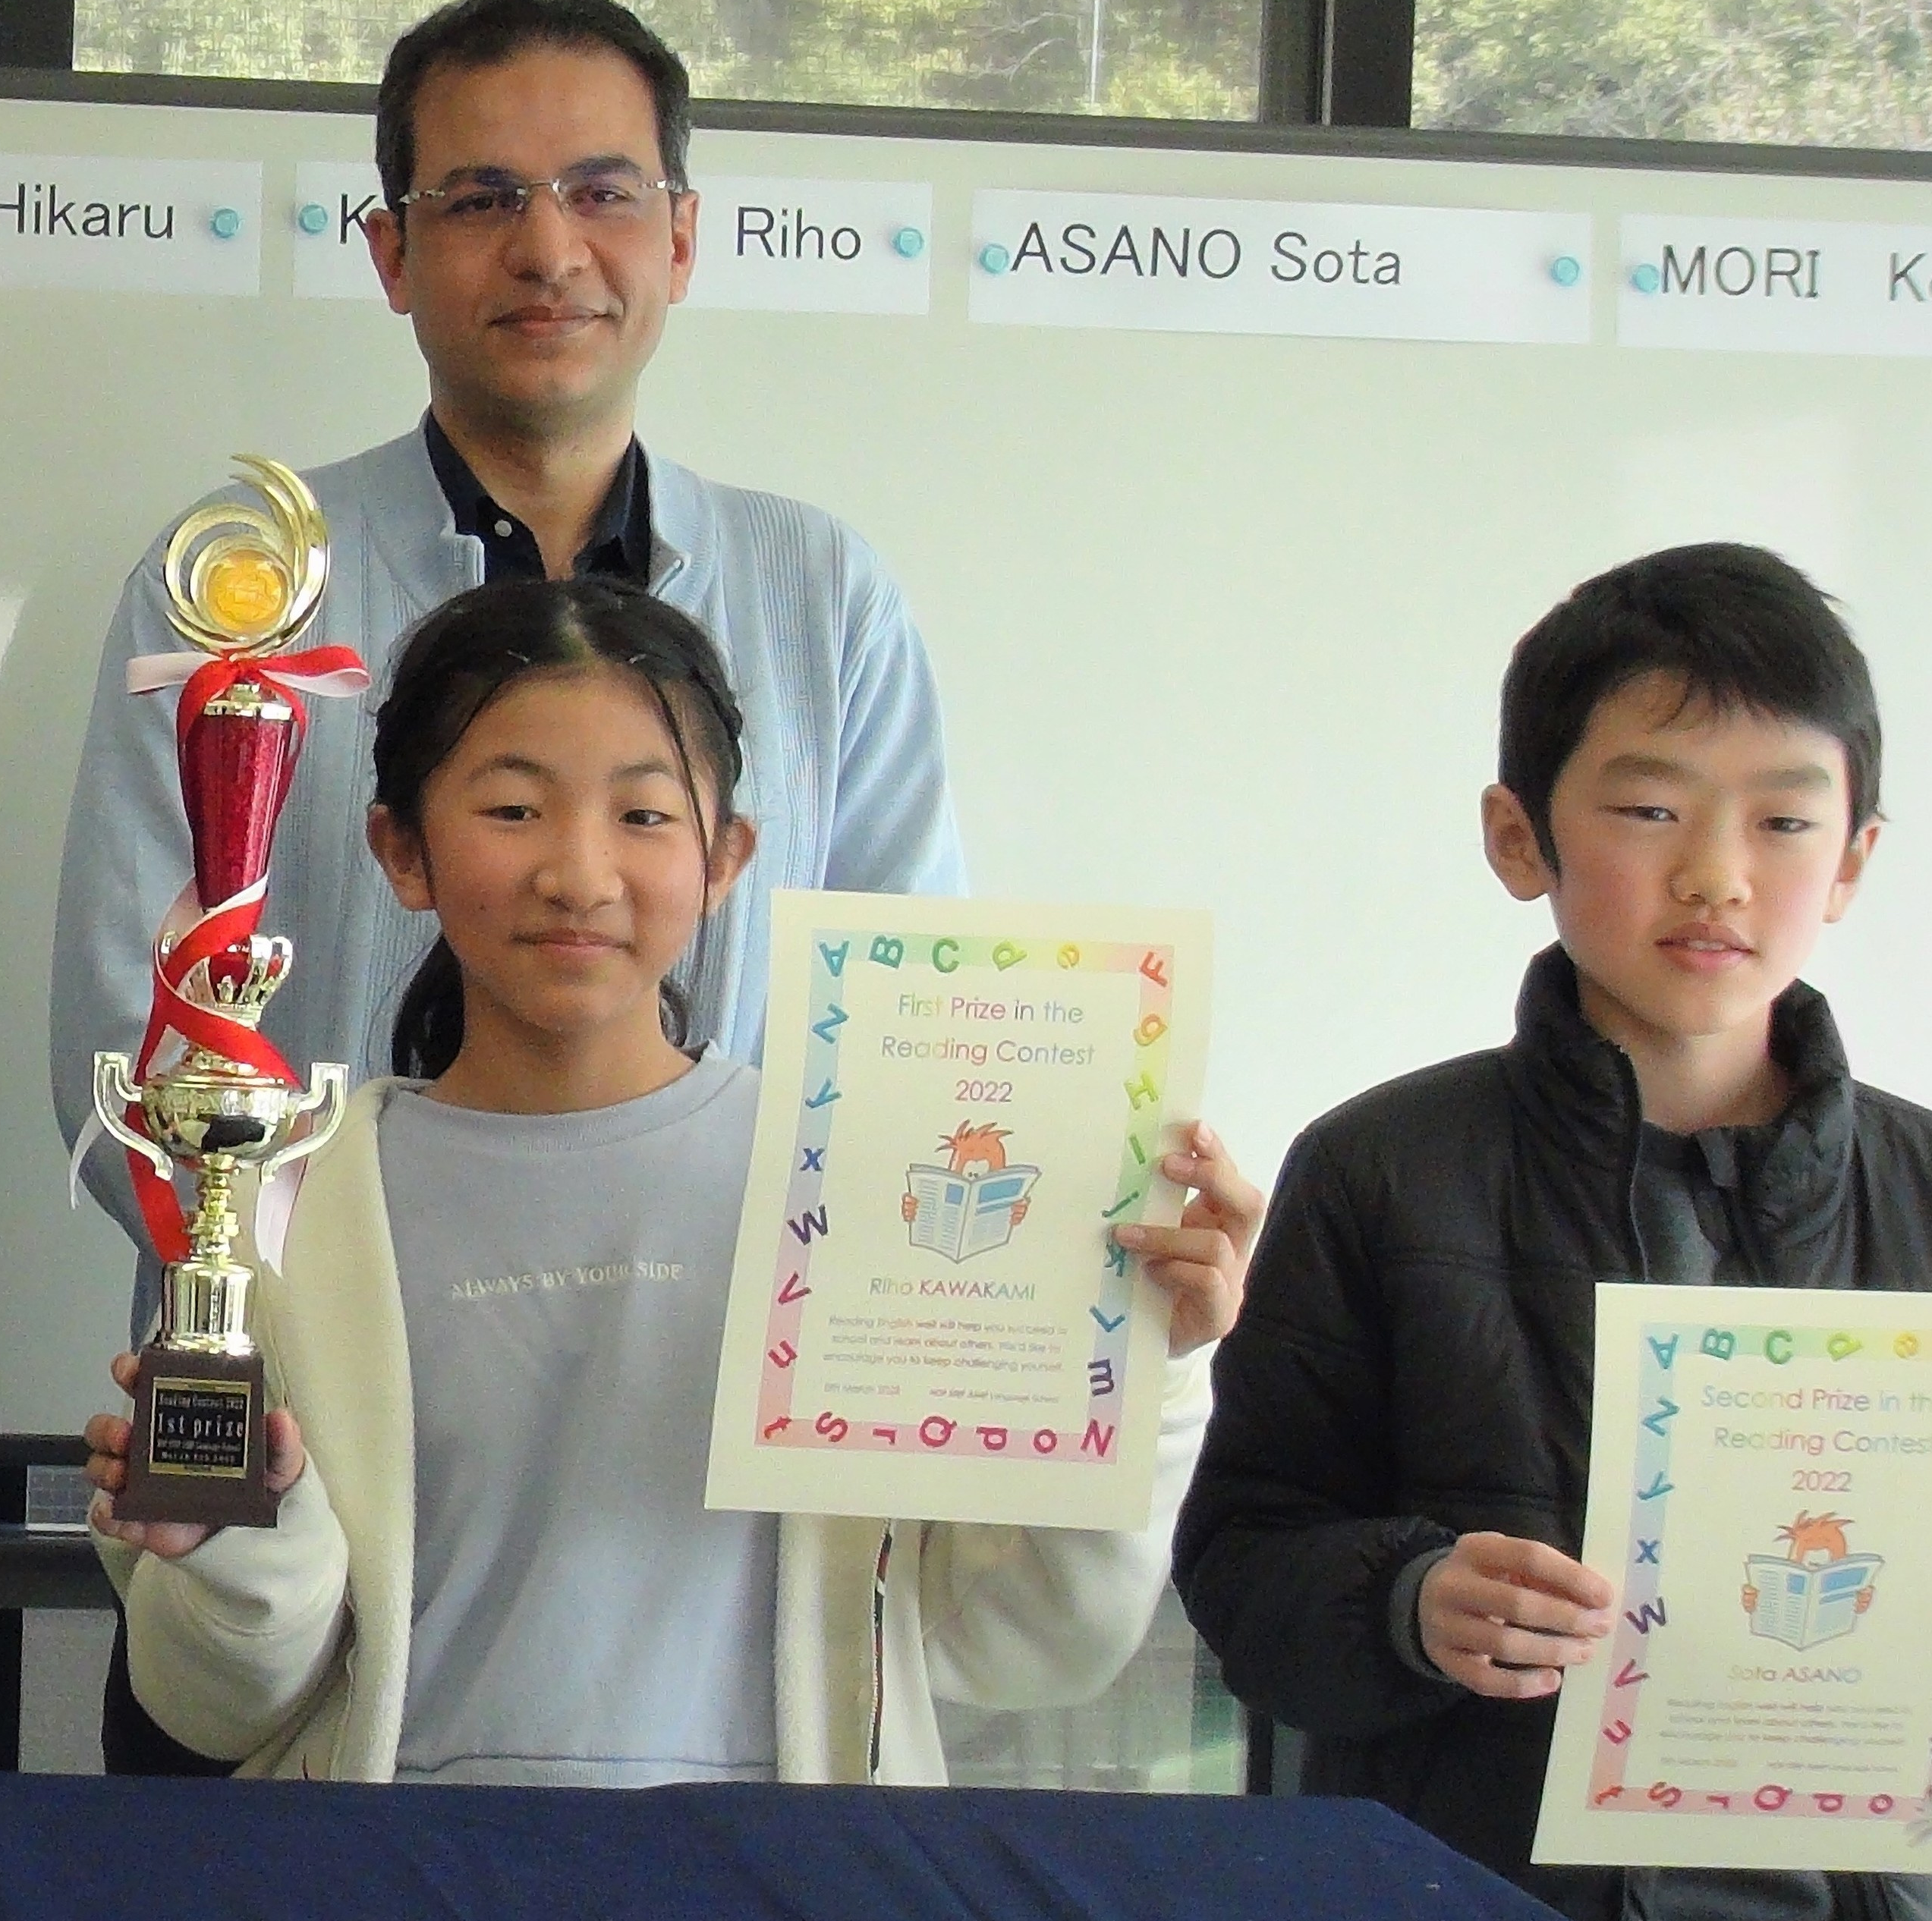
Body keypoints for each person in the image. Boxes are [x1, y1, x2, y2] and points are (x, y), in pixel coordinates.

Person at [53, 0, 967, 1771]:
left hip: (706, 1518)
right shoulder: (238, 580)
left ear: (681, 235)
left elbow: (906, 1056)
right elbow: (124, 1039)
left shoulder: (823, 596)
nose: (549, 248)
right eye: (480, 199)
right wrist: (294, 1344)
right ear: (391, 253)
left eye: (603, 191)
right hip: (300, 1509)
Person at [1172, 542, 1932, 1921]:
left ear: (1855, 859)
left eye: (1784, 820)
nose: (1718, 875)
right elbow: (1246, 1573)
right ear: (1519, 837)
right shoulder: (1381, 1170)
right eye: (1649, 809)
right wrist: (1411, 1599)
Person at [91, 577, 1257, 1787]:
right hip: (404, 1882)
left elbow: (1025, 1642)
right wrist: (238, 1543)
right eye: (512, 807)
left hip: (781, 1888)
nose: (578, 872)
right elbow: (213, 1707)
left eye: (644, 815)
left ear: (726, 857)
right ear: (403, 850)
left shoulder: (857, 1182)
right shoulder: (288, 1204)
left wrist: (1142, 1365)